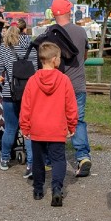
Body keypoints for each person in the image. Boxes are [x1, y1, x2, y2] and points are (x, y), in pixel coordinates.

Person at [19, 42, 78, 207]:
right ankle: (57, 188)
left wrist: (25, 126)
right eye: (59, 57)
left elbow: (26, 106)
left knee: (38, 160)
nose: (60, 60)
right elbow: (71, 106)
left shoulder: (32, 80)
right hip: (57, 127)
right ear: (54, 60)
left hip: (38, 127)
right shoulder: (64, 80)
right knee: (58, 159)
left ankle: (38, 189)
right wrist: (72, 125)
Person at [44, 0, 92, 177]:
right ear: (68, 11)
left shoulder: (50, 33)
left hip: (56, 85)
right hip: (77, 84)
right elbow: (85, 55)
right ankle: (82, 156)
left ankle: (49, 159)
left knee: (53, 121)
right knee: (78, 120)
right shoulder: (80, 31)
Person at [0, 25, 38, 174]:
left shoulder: (5, 48)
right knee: (28, 129)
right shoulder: (33, 47)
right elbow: (36, 69)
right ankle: (31, 164)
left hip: (10, 93)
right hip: (30, 94)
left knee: (10, 128)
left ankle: (4, 159)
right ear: (25, 31)